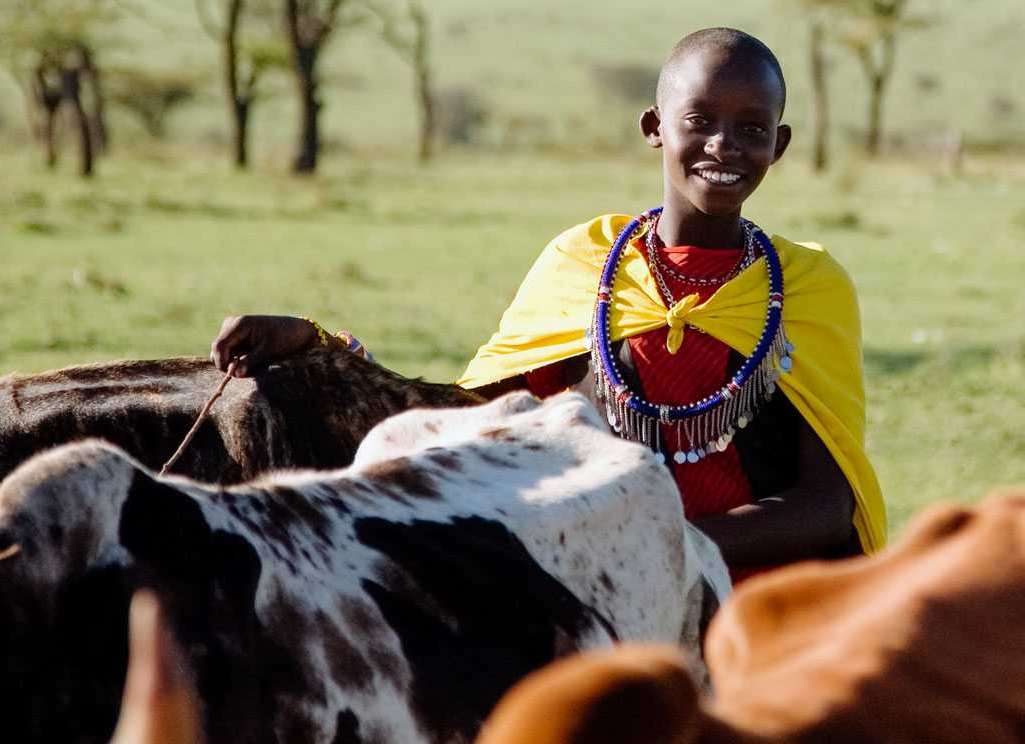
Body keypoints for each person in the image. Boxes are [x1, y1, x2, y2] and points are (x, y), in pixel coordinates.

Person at [209, 28, 886, 582]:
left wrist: (669, 543)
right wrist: (321, 350)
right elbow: (465, 420)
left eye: (751, 128)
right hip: (592, 583)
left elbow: (828, 505)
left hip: (752, 599)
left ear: (781, 143)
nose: (723, 146)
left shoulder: (807, 287)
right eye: (700, 121)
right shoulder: (585, 262)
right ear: (654, 127)